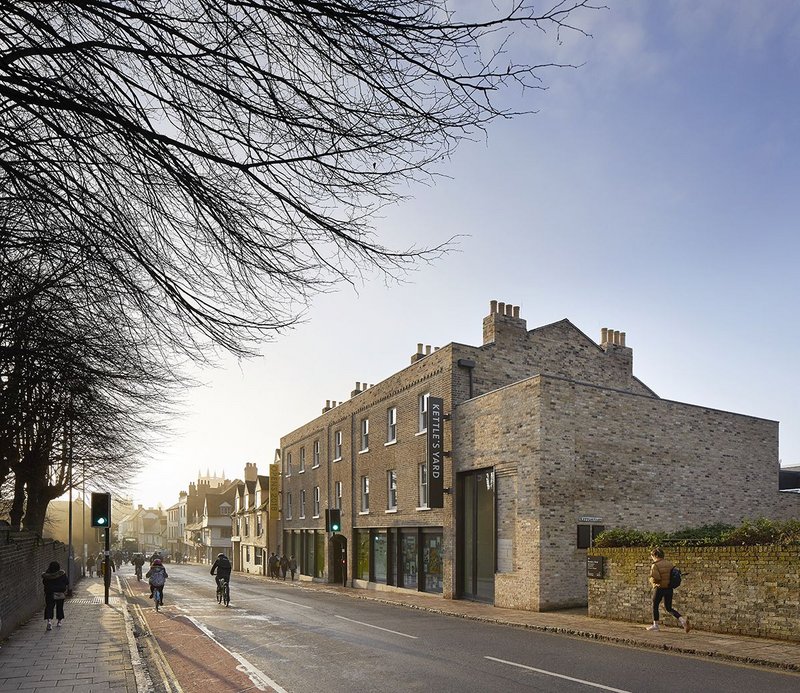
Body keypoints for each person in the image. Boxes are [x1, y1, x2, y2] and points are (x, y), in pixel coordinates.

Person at [647, 547, 690, 633]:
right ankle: (682, 621)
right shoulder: (670, 564)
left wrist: (651, 580)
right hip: (669, 588)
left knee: (655, 605)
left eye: (652, 555)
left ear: (655, 555)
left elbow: (657, 578)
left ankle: (655, 625)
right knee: (669, 608)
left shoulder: (655, 565)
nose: (652, 557)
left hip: (659, 588)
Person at [42, 560, 69, 631]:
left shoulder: (46, 575)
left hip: (50, 593)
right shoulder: (62, 574)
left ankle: (49, 621)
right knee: (59, 607)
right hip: (60, 593)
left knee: (49, 607)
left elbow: (44, 583)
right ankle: (59, 622)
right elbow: (67, 582)